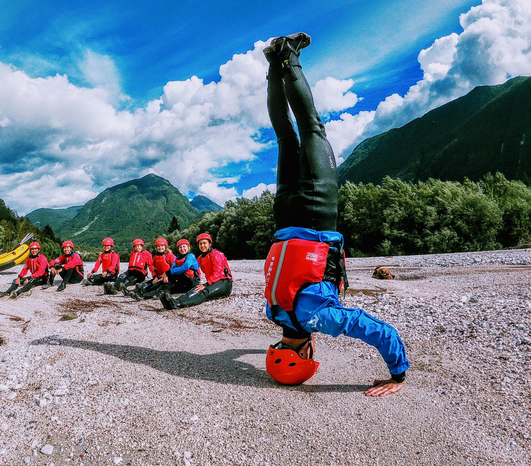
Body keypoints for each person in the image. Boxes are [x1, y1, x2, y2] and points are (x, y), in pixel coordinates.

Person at [261, 32, 409, 397]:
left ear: (308, 351)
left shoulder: (318, 319)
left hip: (315, 214)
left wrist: (397, 374)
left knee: (311, 128)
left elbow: (379, 331)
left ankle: (290, 57)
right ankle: (273, 66)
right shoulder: (273, 313)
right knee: (284, 136)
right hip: (283, 218)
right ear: (278, 348)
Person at [159, 233, 232, 309]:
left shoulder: (216, 254)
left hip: (224, 283)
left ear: (210, 244)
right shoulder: (200, 258)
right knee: (195, 289)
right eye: (200, 244)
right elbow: (195, 269)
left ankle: (179, 304)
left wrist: (206, 285)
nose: (202, 245)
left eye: (205, 243)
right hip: (213, 283)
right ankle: (173, 301)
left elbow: (219, 272)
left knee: (204, 292)